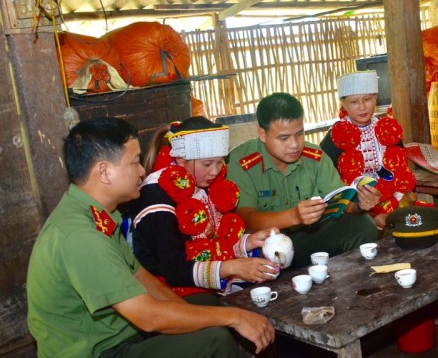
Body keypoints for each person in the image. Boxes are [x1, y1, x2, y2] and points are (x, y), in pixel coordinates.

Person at [26, 117, 299, 358]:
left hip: (115, 344)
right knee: (213, 340)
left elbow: (143, 279)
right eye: (134, 162)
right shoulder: (80, 236)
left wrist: (200, 316)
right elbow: (149, 317)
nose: (143, 170)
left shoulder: (95, 215)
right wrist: (234, 317)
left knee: (203, 305)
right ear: (104, 172)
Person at [127, 117, 281, 297]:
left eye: (220, 161)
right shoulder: (156, 196)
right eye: (207, 164)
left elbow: (213, 244)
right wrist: (231, 267)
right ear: (181, 160)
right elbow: (173, 269)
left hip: (205, 281)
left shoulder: (203, 182)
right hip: (170, 293)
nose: (215, 171)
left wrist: (249, 242)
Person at [227, 92, 380, 269]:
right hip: (265, 246)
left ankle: (351, 278)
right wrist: (294, 216)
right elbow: (246, 219)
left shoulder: (314, 156)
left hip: (307, 238)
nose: (294, 144)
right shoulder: (241, 162)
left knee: (362, 225)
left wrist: (360, 204)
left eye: (299, 134)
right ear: (262, 134)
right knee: (270, 249)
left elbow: (342, 203)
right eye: (283, 138)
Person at [320, 71, 417, 229]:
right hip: (354, 206)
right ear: (343, 104)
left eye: (367, 99)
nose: (362, 107)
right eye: (354, 102)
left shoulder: (387, 130)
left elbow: (400, 171)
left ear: (375, 99)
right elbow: (325, 181)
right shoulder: (337, 136)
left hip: (390, 197)